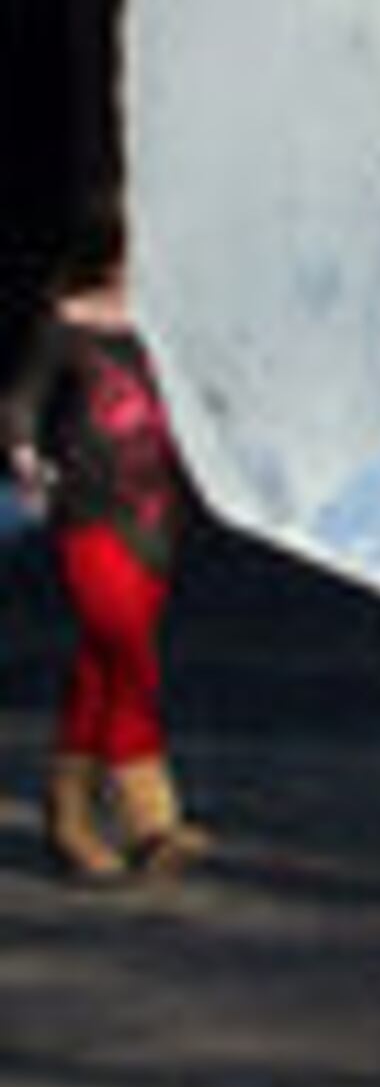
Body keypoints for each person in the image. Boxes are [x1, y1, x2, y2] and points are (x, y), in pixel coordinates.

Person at [6, 208, 210, 881]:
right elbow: (22, 400)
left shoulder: (165, 322)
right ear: (112, 251)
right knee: (126, 650)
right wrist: (27, 455)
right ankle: (152, 819)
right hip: (89, 510)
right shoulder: (68, 321)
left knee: (103, 662)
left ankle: (69, 817)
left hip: (155, 513)